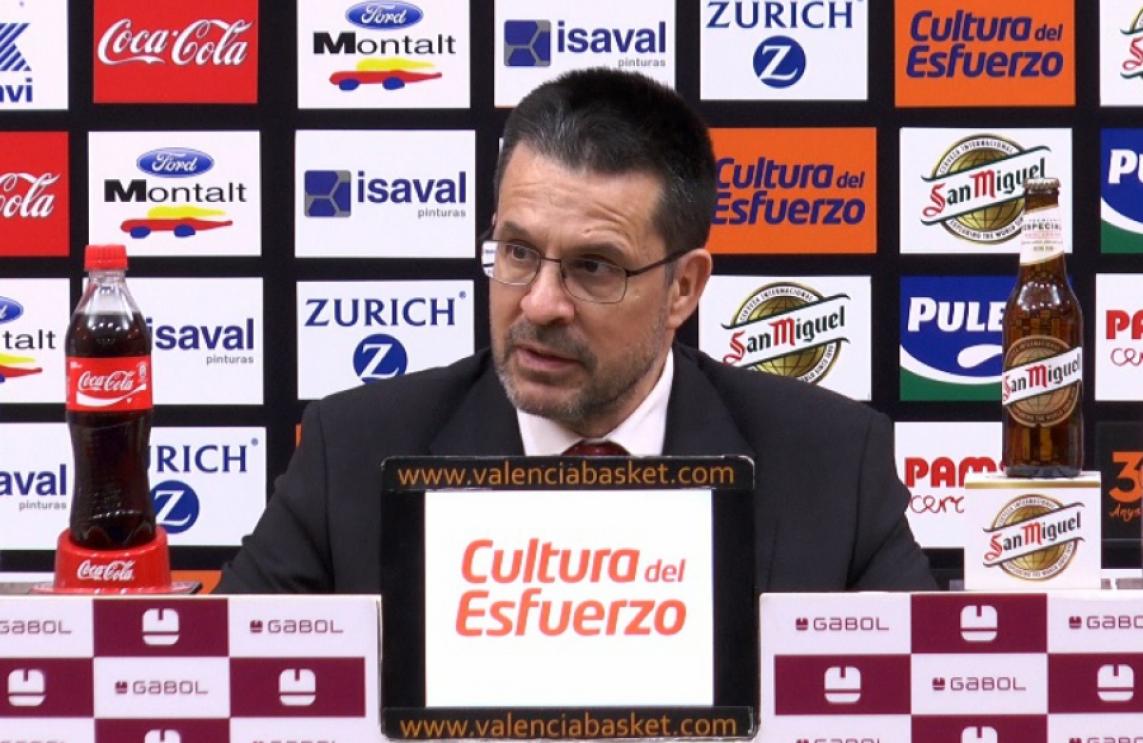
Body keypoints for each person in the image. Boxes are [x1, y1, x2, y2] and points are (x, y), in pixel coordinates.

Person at [218, 68, 934, 593]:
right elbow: (227, 691)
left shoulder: (831, 465)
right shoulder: (352, 453)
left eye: (594, 267)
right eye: (517, 252)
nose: (539, 304)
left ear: (683, 288)